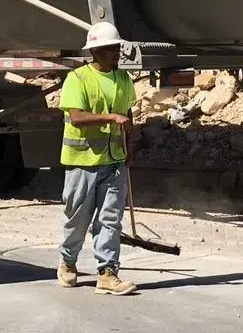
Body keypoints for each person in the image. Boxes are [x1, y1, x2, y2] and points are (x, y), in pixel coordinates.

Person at [56, 21, 138, 295]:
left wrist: (129, 147)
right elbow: (77, 118)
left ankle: (107, 273)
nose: (116, 52)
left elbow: (128, 116)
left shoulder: (124, 79)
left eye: (117, 47)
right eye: (110, 48)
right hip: (82, 162)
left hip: (114, 161)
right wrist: (111, 117)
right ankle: (68, 262)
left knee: (110, 219)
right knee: (77, 218)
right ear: (95, 51)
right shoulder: (77, 78)